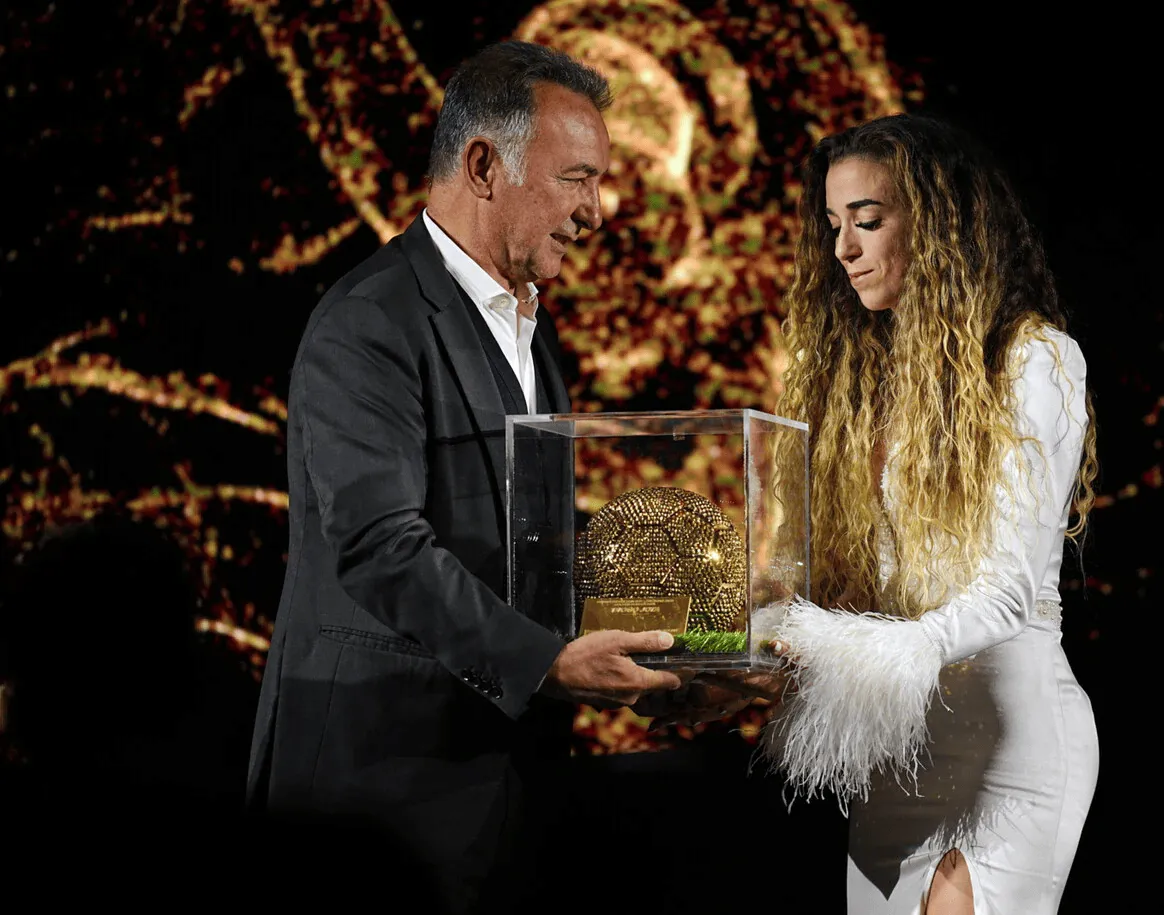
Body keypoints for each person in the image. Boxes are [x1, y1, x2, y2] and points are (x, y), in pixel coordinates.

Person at [246, 40, 682, 913]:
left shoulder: (531, 332)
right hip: (373, 801)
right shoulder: (368, 321)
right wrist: (548, 663)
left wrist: (686, 647)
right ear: (483, 166)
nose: (595, 212)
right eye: (577, 179)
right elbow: (379, 546)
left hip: (500, 794)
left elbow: (535, 550)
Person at [751, 114, 1100, 914]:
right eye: (833, 225)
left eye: (868, 221)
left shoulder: (1032, 357)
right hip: (896, 755)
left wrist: (840, 644)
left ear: (939, 225)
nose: (843, 249)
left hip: (1003, 746)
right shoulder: (851, 385)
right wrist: (747, 647)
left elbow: (1006, 596)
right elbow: (836, 592)